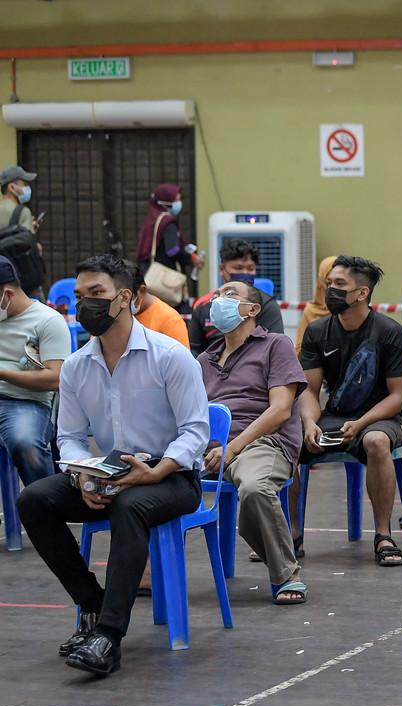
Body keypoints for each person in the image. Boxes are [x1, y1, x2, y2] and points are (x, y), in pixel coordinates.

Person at [18, 254, 207, 677]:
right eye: (80, 296)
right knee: (34, 499)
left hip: (171, 476)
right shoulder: (77, 366)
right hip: (109, 473)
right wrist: (82, 474)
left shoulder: (170, 357)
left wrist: (156, 471)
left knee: (131, 506)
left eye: (97, 294)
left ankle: (108, 636)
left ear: (125, 298)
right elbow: (67, 437)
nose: (85, 305)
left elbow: (195, 432)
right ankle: (91, 602)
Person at [297, 256, 402, 566]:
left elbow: (398, 397)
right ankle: (290, 536)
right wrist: (309, 421)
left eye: (339, 285)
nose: (330, 290)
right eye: (328, 283)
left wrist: (361, 422)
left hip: (381, 417)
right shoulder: (317, 330)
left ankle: (383, 535)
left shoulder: (390, 332)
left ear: (362, 293)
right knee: (286, 439)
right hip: (335, 414)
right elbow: (308, 389)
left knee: (376, 442)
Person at [197, 280, 308, 604]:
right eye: (217, 295)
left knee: (255, 488)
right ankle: (150, 575)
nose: (219, 300)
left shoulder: (275, 345)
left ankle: (288, 573)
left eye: (230, 294)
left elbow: (280, 410)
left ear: (253, 309)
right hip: (211, 449)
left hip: (262, 443)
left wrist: (232, 448)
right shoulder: (206, 359)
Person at [0, 255, 72, 484]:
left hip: (26, 402)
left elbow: (55, 378)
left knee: (26, 443)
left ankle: (45, 507)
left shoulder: (47, 321)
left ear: (7, 294)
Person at [189, 240, 285, 353]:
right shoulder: (204, 305)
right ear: (222, 269)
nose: (244, 273)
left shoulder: (266, 304)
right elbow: (195, 351)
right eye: (238, 268)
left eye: (250, 268)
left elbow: (276, 349)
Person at [134, 184, 203, 306]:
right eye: (176, 200)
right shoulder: (167, 222)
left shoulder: (152, 219)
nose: (179, 203)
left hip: (152, 275)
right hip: (167, 280)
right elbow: (172, 250)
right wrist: (192, 258)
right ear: (165, 202)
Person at [0, 165, 45, 298]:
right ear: (12, 188)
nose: (26, 188)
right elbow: (31, 246)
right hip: (21, 276)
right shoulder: (22, 211)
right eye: (23, 184)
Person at [133, 280, 190, 347]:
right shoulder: (121, 315)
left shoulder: (170, 320)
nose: (122, 303)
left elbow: (181, 356)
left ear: (141, 291)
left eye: (125, 296)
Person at [295, 256, 337, 348]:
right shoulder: (311, 311)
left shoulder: (350, 309)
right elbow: (300, 347)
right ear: (322, 280)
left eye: (339, 282)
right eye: (329, 282)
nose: (334, 287)